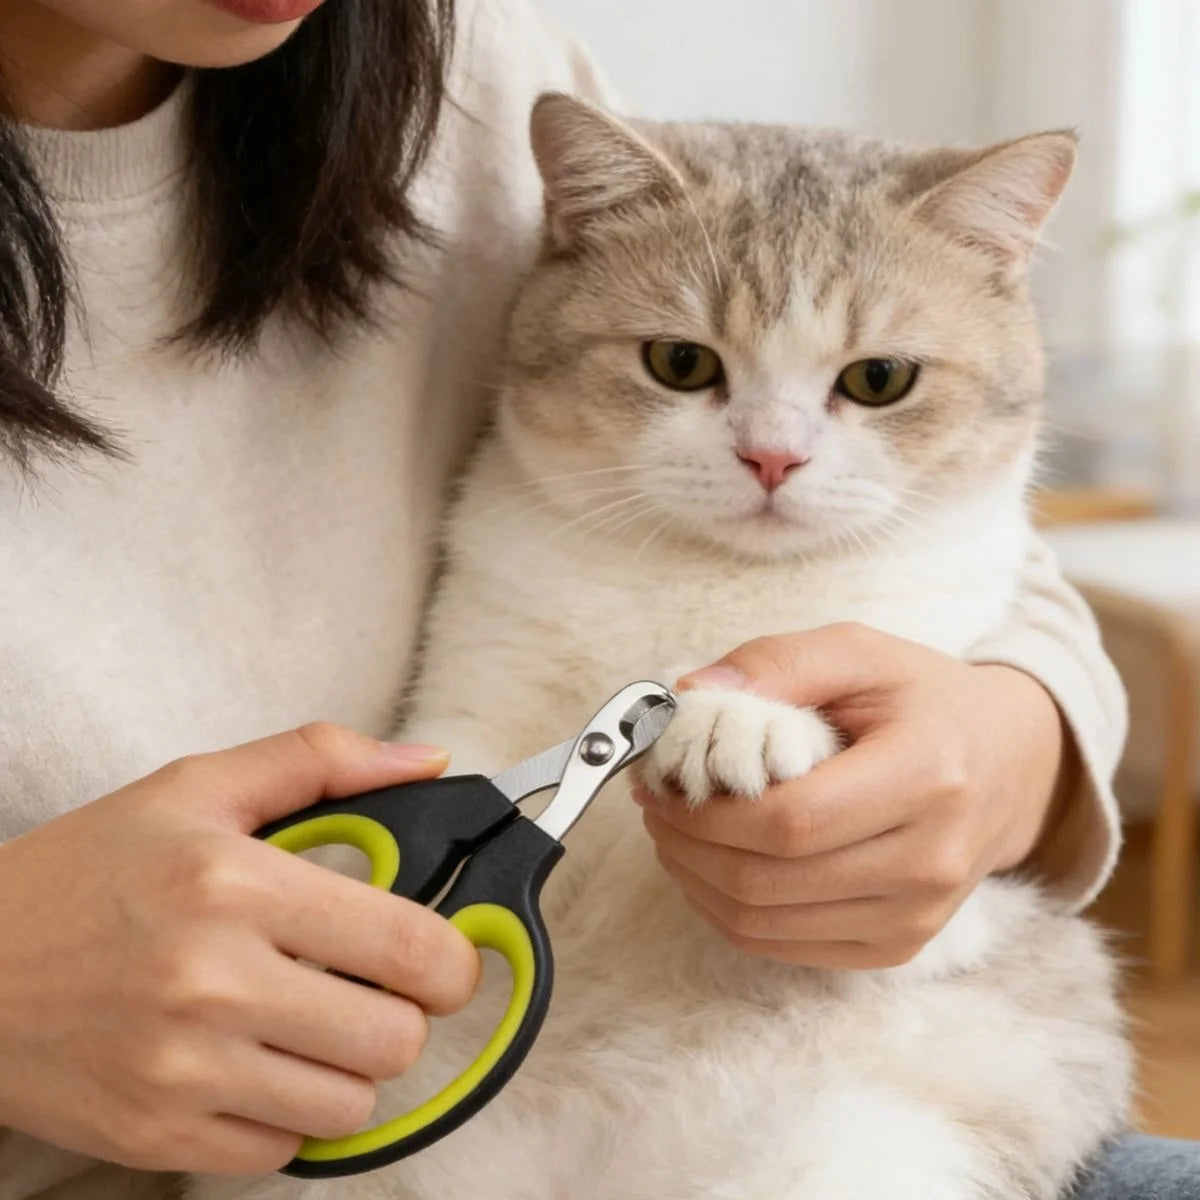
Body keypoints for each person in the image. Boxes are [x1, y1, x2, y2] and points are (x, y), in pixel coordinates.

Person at [0, 2, 1192, 1198]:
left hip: (842, 1083)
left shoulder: (454, 65)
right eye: (685, 364)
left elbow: (1008, 593)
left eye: (872, 381)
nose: (777, 454)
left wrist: (999, 748)